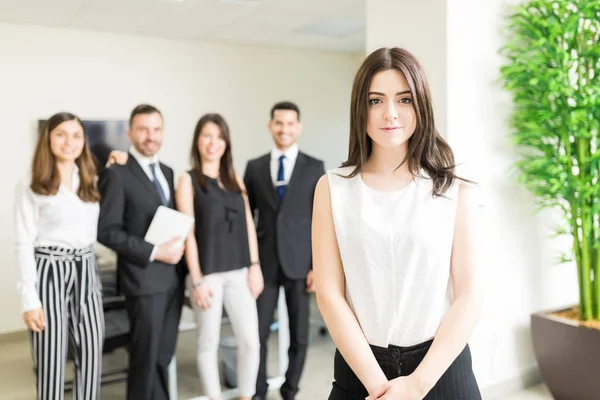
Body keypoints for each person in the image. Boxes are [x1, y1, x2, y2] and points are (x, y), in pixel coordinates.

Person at [312, 47, 483, 400]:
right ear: (361, 107)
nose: (390, 113)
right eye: (376, 101)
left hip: (440, 369)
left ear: (421, 104)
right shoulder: (333, 187)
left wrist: (418, 385)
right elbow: (329, 294)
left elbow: (469, 294)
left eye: (404, 99)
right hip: (360, 370)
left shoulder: (454, 187)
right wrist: (379, 388)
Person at [97, 104, 185, 400]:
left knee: (162, 356)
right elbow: (106, 231)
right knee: (144, 361)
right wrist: (154, 251)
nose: (151, 136)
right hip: (143, 281)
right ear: (130, 133)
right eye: (144, 129)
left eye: (156, 129)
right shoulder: (117, 174)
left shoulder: (168, 171)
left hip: (173, 280)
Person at [15, 112, 105, 400]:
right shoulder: (30, 183)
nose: (70, 142)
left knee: (91, 354)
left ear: (84, 141)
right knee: (51, 359)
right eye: (61, 134)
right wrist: (30, 299)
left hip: (87, 267)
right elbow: (23, 242)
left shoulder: (91, 177)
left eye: (77, 135)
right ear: (48, 138)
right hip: (49, 269)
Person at [176, 113, 263, 400]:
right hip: (209, 273)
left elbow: (248, 224)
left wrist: (255, 265)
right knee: (207, 342)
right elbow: (188, 233)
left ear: (226, 143)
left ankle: (245, 396)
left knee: (250, 341)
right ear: (197, 141)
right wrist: (197, 280)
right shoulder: (188, 181)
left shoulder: (235, 178)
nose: (213, 143)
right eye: (207, 136)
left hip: (240, 270)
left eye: (219, 137)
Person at [243, 101, 325, 400]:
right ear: (270, 126)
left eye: (290, 124)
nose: (284, 129)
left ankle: (290, 391)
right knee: (258, 335)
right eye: (279, 123)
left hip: (301, 263)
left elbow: (321, 221)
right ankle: (259, 390)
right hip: (263, 264)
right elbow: (246, 219)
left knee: (300, 336)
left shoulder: (314, 167)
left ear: (298, 128)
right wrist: (249, 263)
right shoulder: (253, 167)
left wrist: (317, 266)